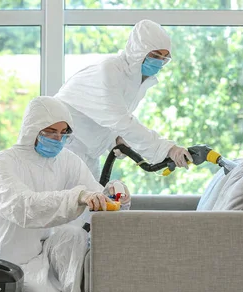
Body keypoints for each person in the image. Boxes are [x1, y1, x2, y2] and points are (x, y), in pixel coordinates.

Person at [0, 96, 131, 292]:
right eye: (50, 131)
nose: (57, 139)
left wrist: (115, 194)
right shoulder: (5, 162)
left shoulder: (68, 161)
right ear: (32, 129)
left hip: (48, 251)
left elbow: (95, 196)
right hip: (12, 258)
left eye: (63, 133)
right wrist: (75, 197)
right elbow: (23, 207)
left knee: (75, 236)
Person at [55, 19, 193, 179]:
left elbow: (104, 117)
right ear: (138, 50)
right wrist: (167, 149)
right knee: (64, 201)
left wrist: (115, 139)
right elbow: (121, 121)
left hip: (89, 151)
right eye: (155, 55)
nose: (159, 62)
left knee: (91, 201)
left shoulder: (137, 81)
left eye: (164, 58)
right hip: (65, 145)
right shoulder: (110, 71)